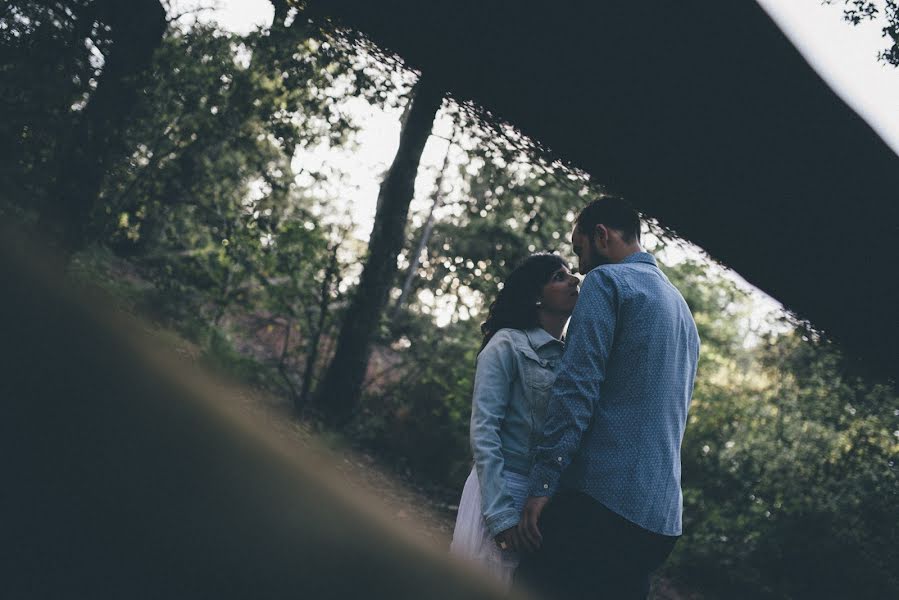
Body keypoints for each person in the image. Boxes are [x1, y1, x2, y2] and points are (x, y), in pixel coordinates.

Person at [514, 198, 701, 600]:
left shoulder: (608, 282)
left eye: (579, 249)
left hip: (599, 505)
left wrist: (543, 482)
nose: (580, 268)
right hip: (659, 521)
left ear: (602, 236)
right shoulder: (682, 311)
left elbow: (576, 387)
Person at [450, 253, 580, 588]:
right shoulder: (506, 343)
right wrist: (500, 515)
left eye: (570, 274)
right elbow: (484, 431)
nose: (573, 280)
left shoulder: (574, 357)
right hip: (500, 489)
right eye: (559, 276)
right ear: (537, 294)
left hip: (543, 502)